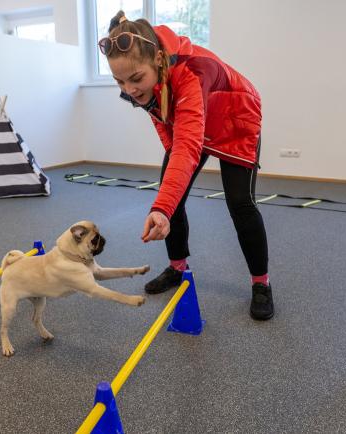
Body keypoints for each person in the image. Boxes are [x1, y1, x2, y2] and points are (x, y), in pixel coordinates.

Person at [99, 11, 274, 320]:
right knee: (173, 192)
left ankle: (262, 284)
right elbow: (164, 121)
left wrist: (164, 201)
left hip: (235, 118)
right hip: (194, 122)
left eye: (136, 79)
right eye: (120, 81)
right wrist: (173, 183)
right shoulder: (137, 85)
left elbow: (188, 145)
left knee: (240, 204)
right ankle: (178, 267)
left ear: (157, 61)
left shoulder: (192, 72)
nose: (129, 89)